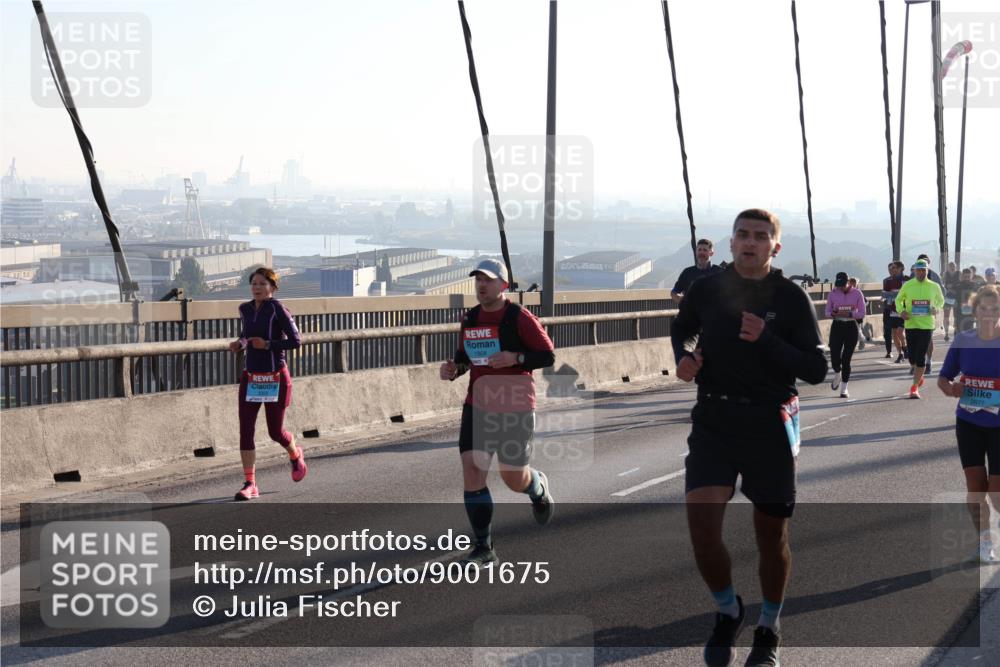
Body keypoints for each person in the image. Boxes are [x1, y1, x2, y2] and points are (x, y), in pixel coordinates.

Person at [671, 209, 828, 667]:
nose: (750, 242)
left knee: (771, 537)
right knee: (702, 531)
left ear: (775, 247)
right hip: (713, 419)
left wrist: (766, 339)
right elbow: (682, 327)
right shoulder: (707, 288)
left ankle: (769, 627)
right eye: (743, 234)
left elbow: (816, 369)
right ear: (732, 242)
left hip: (768, 423)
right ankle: (728, 610)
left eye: (761, 236)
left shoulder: (790, 297)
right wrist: (683, 356)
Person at [439, 258, 556, 566]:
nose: (481, 285)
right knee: (472, 469)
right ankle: (484, 547)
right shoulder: (470, 319)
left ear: (503, 285)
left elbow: (547, 355)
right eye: (478, 279)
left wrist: (515, 357)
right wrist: (453, 370)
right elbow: (465, 359)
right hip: (478, 405)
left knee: (513, 478)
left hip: (515, 406)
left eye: (488, 280)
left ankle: (537, 487)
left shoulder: (519, 317)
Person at [228, 267, 305, 501]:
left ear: (272, 287)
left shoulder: (278, 309)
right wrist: (239, 344)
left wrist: (268, 344)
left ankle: (295, 454)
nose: (257, 287)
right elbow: (247, 335)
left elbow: (296, 341)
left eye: (262, 283)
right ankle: (250, 483)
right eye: (254, 283)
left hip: (275, 378)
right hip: (251, 377)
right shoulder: (244, 309)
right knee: (246, 431)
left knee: (275, 432)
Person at [937, 284, 1000, 564]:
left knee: (996, 493)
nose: (989, 314)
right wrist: (951, 389)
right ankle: (984, 542)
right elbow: (943, 378)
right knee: (975, 486)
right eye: (983, 309)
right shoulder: (964, 340)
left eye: (995, 309)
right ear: (975, 311)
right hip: (969, 421)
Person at [897, 259, 946, 399]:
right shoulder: (908, 285)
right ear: (914, 271)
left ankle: (914, 387)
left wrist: (936, 308)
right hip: (911, 324)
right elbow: (898, 300)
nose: (921, 272)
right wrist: (901, 311)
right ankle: (919, 375)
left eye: (923, 270)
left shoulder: (934, 286)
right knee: (912, 357)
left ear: (927, 271)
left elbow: (941, 300)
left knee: (920, 357)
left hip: (926, 325)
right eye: (918, 270)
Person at [826, 272, 866, 398]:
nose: (841, 288)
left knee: (846, 359)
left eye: (843, 285)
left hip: (851, 326)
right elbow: (827, 312)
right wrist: (833, 313)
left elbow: (862, 313)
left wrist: (849, 314)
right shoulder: (832, 293)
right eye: (839, 285)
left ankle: (844, 388)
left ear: (848, 282)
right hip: (837, 326)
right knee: (834, 357)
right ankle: (837, 372)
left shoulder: (857, 293)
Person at [913, 254, 944, 373]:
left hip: (928, 314)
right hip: (914, 313)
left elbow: (942, 293)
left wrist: (935, 307)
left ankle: (928, 362)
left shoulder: (934, 276)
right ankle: (917, 363)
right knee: (916, 340)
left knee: (928, 339)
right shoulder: (912, 275)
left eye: (926, 262)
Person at [671, 239, 725, 305]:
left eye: (705, 250)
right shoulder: (687, 272)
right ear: (696, 252)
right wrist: (681, 300)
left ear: (711, 253)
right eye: (699, 250)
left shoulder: (720, 272)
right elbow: (674, 292)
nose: (701, 252)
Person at [883, 261, 907, 362]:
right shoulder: (888, 281)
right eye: (891, 268)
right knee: (894, 334)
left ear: (901, 268)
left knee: (900, 332)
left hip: (904, 310)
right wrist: (895, 295)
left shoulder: (907, 280)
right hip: (892, 310)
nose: (892, 270)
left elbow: (907, 294)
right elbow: (885, 295)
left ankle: (905, 348)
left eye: (895, 268)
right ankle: (900, 354)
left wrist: (894, 295)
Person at [954, 268, 978, 335]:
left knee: (969, 333)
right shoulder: (957, 285)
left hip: (971, 314)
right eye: (965, 276)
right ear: (962, 276)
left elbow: (978, 299)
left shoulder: (975, 285)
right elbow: (952, 300)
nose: (967, 278)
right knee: (959, 333)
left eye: (968, 276)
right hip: (959, 313)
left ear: (972, 276)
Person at [847, 276, 868, 350]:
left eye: (854, 283)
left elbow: (866, 302)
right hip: (847, 314)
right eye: (851, 283)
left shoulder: (858, 292)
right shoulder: (845, 291)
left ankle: (862, 340)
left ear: (856, 284)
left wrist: (860, 307)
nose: (852, 285)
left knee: (857, 330)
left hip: (857, 315)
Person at [943, 261, 961, 342]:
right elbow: (942, 284)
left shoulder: (959, 273)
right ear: (948, 268)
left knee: (956, 316)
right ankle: (946, 333)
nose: (952, 268)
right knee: (946, 316)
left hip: (956, 297)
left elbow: (961, 283)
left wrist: (954, 287)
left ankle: (955, 331)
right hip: (947, 297)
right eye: (950, 266)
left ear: (956, 267)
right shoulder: (945, 274)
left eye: (953, 266)